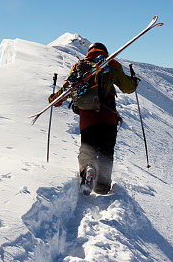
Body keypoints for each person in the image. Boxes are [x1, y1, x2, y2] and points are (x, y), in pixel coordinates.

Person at [49, 42, 139, 194]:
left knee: (87, 150)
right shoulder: (112, 63)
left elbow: (65, 92)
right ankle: (103, 186)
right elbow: (128, 88)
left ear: (89, 51)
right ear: (105, 51)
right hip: (108, 117)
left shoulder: (80, 67)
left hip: (87, 119)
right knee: (106, 151)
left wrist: (54, 98)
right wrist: (134, 81)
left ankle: (87, 172)